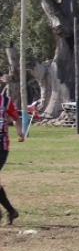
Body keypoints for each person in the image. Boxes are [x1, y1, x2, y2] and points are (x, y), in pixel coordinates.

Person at [0, 88, 25, 225]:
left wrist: (20, 131)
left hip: (1, 146)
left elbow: (15, 117)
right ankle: (11, 211)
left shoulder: (6, 101)